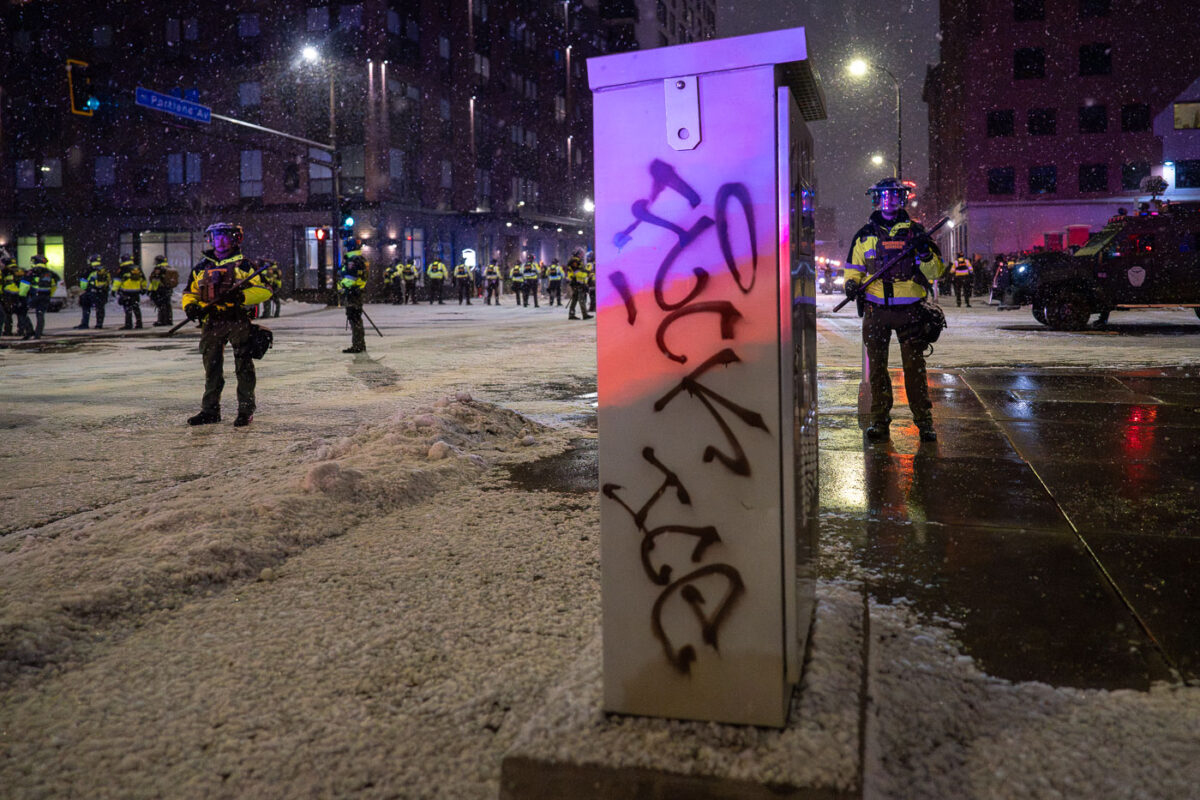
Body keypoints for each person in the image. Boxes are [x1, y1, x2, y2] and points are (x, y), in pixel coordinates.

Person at [844, 177, 946, 443]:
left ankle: (924, 422)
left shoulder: (917, 233)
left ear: (902, 198)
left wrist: (924, 254)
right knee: (877, 370)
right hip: (876, 311)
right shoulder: (864, 235)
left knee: (914, 369)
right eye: (883, 196)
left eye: (894, 196)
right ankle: (879, 420)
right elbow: (853, 268)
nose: (888, 202)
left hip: (911, 312)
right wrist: (851, 284)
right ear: (876, 199)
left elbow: (936, 271)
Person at [180, 222, 272, 427]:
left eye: (225, 237)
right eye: (216, 237)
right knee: (211, 367)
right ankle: (210, 410)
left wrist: (242, 296)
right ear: (210, 240)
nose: (220, 241)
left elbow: (265, 290)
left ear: (235, 240)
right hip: (211, 321)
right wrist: (191, 307)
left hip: (238, 320)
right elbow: (189, 293)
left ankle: (245, 410)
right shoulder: (202, 267)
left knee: (243, 366)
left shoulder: (245, 266)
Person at [338, 237, 369, 354]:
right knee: (357, 319)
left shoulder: (352, 260)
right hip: (357, 292)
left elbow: (350, 279)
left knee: (354, 319)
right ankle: (360, 344)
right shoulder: (360, 259)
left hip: (352, 293)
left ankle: (358, 345)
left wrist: (341, 283)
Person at [22, 255, 58, 340]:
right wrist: (50, 294)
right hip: (45, 296)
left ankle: (29, 330)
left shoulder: (31, 272)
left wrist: (22, 296)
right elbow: (54, 286)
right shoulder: (50, 273)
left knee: (22, 312)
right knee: (40, 314)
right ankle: (38, 334)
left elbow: (24, 285)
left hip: (34, 296)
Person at [113, 254, 147, 329]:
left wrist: (114, 290)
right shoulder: (137, 268)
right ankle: (139, 323)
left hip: (126, 291)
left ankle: (128, 324)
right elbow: (143, 279)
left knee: (128, 309)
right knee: (136, 308)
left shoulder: (122, 269)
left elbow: (117, 281)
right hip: (136, 292)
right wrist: (143, 288)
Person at [147, 255, 177, 326]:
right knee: (168, 305)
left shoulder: (158, 269)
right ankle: (169, 320)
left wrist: (151, 290)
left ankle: (161, 321)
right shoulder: (169, 267)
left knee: (161, 306)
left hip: (160, 290)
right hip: (168, 289)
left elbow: (155, 281)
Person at [2, 256, 26, 336]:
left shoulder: (5, 271)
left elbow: (3, 283)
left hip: (9, 295)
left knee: (8, 314)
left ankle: (8, 331)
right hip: (21, 294)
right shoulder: (21, 270)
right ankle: (21, 331)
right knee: (21, 313)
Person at [566, 251, 592, 320]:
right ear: (577, 254)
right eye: (581, 254)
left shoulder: (575, 260)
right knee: (581, 299)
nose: (582, 255)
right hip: (577, 282)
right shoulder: (575, 261)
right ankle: (584, 314)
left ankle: (572, 314)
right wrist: (586, 274)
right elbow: (577, 272)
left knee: (575, 299)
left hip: (576, 282)